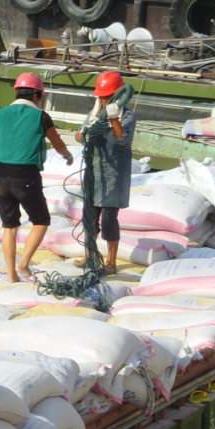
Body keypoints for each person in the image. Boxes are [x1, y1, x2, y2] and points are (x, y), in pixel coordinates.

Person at [0, 72, 73, 283]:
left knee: (9, 226)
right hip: (26, 176)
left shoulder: (0, 113)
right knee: (41, 221)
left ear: (17, 92)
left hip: (1, 174)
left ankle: (12, 274)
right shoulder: (41, 116)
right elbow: (58, 145)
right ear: (38, 95)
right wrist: (68, 156)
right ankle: (24, 263)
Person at [75, 70, 136, 275]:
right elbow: (80, 136)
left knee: (109, 219)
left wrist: (112, 119)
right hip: (94, 172)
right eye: (101, 97)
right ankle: (90, 255)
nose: (102, 101)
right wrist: (85, 132)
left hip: (114, 175)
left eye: (107, 97)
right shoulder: (92, 115)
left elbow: (123, 140)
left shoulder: (128, 116)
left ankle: (111, 261)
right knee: (89, 217)